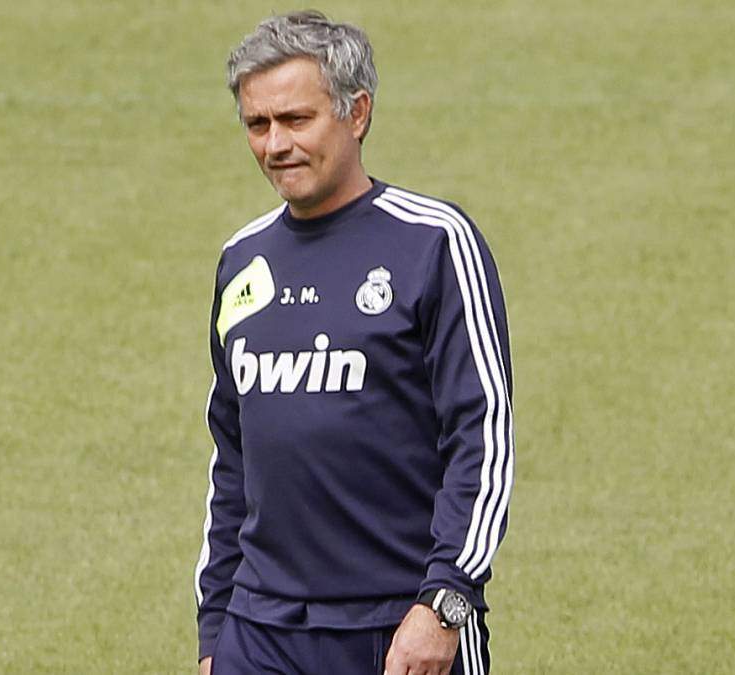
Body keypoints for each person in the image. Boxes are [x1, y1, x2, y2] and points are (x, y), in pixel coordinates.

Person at [194, 10, 514, 675]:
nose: (276, 144)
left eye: (296, 120)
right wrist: (213, 630)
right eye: (258, 124)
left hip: (400, 623)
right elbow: (233, 459)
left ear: (357, 113)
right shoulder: (242, 261)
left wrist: (446, 599)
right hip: (260, 628)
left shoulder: (433, 243)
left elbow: (481, 438)